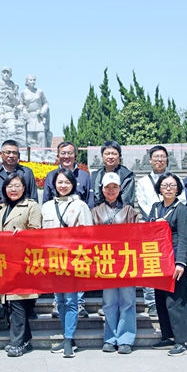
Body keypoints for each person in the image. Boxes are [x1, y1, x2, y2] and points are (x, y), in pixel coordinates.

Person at [41, 168, 93, 358]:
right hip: (53, 260)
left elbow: (88, 234)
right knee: (60, 301)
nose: (63, 186)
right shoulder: (47, 206)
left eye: (67, 182)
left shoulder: (80, 205)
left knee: (71, 300)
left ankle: (70, 339)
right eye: (60, 182)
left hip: (72, 260)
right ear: (54, 184)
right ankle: (66, 336)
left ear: (73, 184)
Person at [43, 141, 94, 319]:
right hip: (56, 237)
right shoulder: (51, 175)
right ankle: (58, 303)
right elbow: (47, 201)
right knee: (58, 270)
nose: (66, 156)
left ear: (75, 155)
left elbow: (89, 202)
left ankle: (79, 303)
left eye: (70, 153)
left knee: (78, 269)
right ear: (58, 155)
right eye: (63, 153)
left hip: (77, 233)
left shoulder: (85, 176)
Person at [135, 145, 186, 316]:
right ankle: (152, 303)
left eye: (162, 156)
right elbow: (142, 203)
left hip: (173, 229)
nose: (159, 160)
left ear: (167, 159)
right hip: (151, 228)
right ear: (150, 160)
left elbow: (182, 201)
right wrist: (156, 219)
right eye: (156, 157)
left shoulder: (176, 179)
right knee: (150, 264)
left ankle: (176, 300)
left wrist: (167, 219)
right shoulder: (142, 182)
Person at [90, 172, 138, 355]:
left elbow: (137, 236)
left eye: (114, 187)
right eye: (107, 187)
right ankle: (110, 338)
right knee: (109, 302)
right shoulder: (95, 211)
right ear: (102, 189)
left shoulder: (129, 211)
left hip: (126, 261)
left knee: (127, 301)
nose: (111, 191)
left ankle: (125, 339)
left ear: (120, 189)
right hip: (106, 262)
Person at [0, 172, 42, 357]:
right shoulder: (1, 207)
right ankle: (26, 340)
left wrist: (24, 233)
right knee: (12, 302)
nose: (13, 189)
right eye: (9, 186)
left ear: (24, 188)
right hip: (4, 262)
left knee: (17, 302)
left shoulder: (32, 206)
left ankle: (16, 343)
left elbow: (37, 232)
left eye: (17, 186)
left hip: (23, 262)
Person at [149, 173, 187, 356]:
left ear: (178, 189)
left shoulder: (181, 209)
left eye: (172, 185)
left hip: (174, 260)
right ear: (159, 188)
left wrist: (181, 263)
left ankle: (183, 341)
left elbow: (184, 238)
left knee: (176, 301)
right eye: (165, 185)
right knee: (161, 300)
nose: (168, 188)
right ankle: (168, 336)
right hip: (158, 260)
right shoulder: (155, 208)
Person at [0, 139, 38, 204]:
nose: (11, 155)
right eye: (8, 152)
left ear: (18, 155)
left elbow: (34, 198)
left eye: (14, 153)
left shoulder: (27, 173)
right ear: (1, 154)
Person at [91, 140, 135, 208]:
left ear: (119, 156)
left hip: (121, 212)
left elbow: (126, 202)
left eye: (114, 154)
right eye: (107, 154)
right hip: (98, 212)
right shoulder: (95, 176)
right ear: (102, 156)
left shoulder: (127, 176)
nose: (110, 157)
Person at [19, 75, 50, 148]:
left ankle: (42, 152)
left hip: (38, 116)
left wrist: (43, 111)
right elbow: (21, 104)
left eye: (34, 80)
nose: (32, 82)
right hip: (28, 116)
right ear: (27, 81)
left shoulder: (39, 91)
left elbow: (46, 103)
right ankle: (31, 152)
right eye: (31, 80)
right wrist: (24, 113)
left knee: (41, 134)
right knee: (29, 136)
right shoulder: (23, 92)